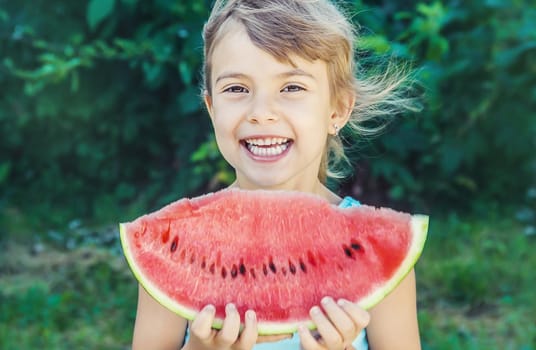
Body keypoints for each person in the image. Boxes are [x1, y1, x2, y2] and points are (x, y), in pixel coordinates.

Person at [132, 0, 421, 349]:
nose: (262, 113)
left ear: (338, 108)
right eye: (237, 89)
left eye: (292, 88)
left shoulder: (380, 252)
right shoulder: (168, 248)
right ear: (211, 108)